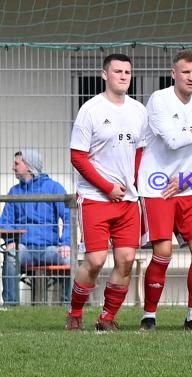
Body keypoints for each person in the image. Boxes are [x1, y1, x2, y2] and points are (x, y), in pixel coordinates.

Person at [137, 50, 192, 332]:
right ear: (173, 73)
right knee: (163, 251)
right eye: (185, 72)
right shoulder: (159, 100)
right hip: (156, 187)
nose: (191, 77)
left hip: (186, 186)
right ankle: (149, 317)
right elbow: (174, 141)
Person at [66, 53, 147, 331]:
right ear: (104, 75)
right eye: (117, 71)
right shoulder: (90, 110)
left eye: (127, 71)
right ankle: (75, 313)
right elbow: (77, 157)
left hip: (128, 201)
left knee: (126, 260)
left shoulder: (139, 110)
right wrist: (108, 187)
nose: (123, 76)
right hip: (96, 198)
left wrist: (133, 183)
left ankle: (107, 319)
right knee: (96, 260)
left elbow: (140, 151)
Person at [0, 149, 71, 305]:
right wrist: (11, 240)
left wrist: (65, 242)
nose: (13, 167)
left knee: (69, 258)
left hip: (50, 249)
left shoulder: (54, 188)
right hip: (24, 248)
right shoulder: (14, 192)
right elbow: (5, 221)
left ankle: (69, 306)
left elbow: (68, 216)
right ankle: (11, 306)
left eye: (17, 163)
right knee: (11, 254)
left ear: (29, 166)